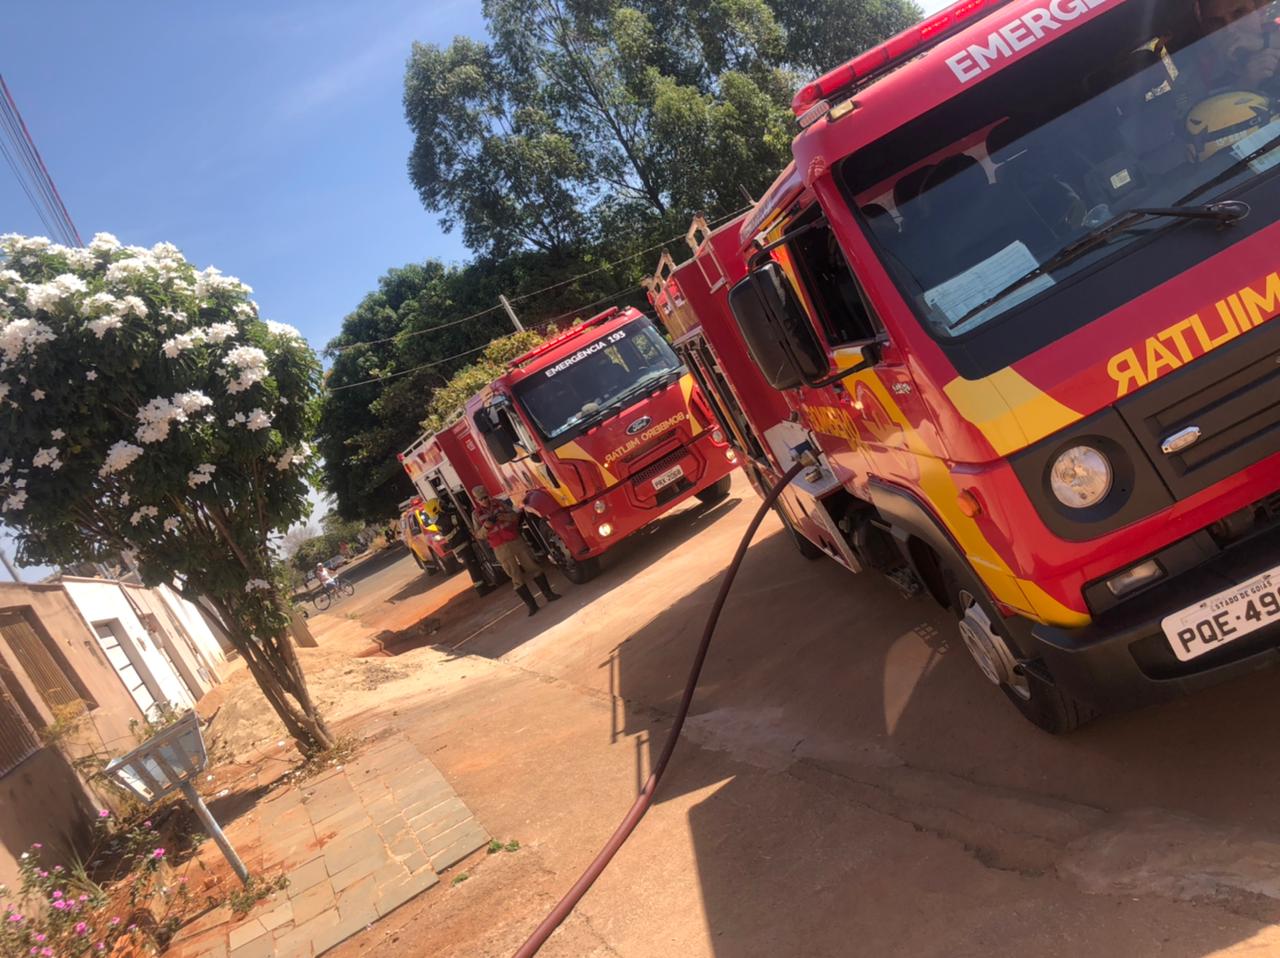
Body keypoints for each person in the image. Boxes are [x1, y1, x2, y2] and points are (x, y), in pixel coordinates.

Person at [470, 485, 561, 615]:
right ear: (476, 500)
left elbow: (515, 516)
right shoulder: (476, 514)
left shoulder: (500, 504)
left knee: (533, 566)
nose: (484, 500)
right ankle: (532, 606)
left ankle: (549, 594)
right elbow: (479, 535)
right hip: (500, 547)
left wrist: (504, 517)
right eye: (481, 499)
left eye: (485, 497)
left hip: (515, 540)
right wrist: (486, 527)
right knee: (515, 577)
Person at [434, 497, 495, 596]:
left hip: (461, 546)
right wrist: (454, 508)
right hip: (462, 547)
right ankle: (482, 590)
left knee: (475, 567)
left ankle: (483, 586)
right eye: (441, 504)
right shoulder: (444, 518)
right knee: (473, 568)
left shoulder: (440, 520)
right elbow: (459, 518)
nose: (444, 505)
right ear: (437, 508)